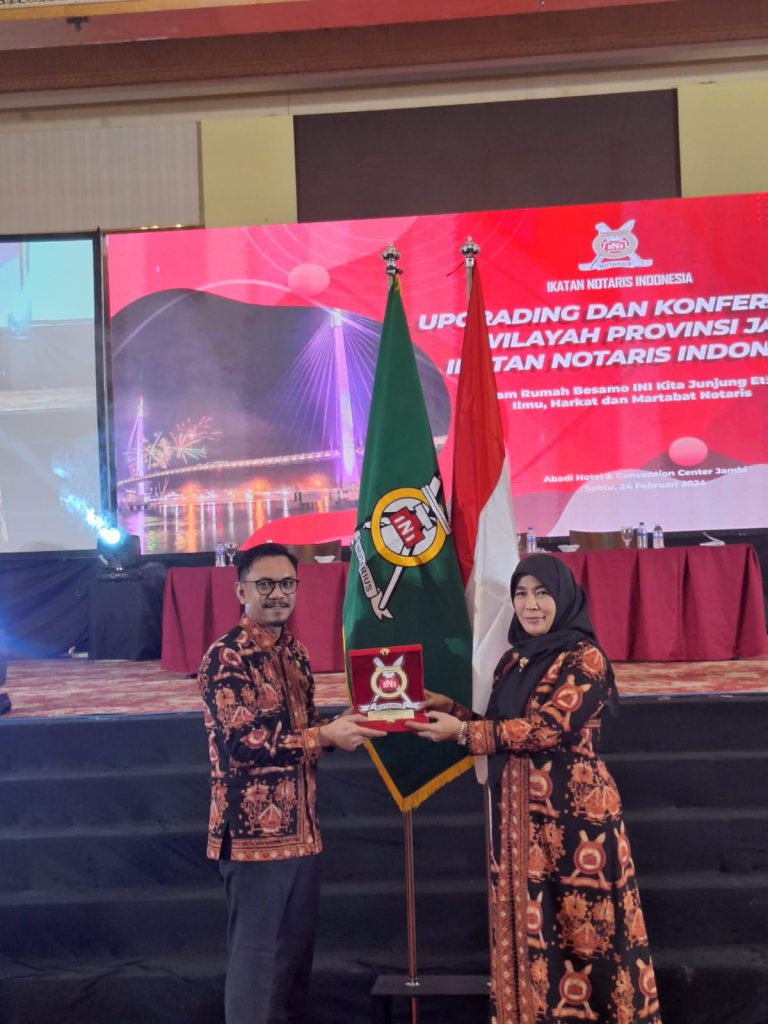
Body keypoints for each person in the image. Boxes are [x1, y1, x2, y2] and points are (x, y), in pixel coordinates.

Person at [408, 553, 662, 1024]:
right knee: (529, 936)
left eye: (542, 593)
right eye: (521, 594)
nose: (530, 604)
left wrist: (463, 734)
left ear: (563, 598)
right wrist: (455, 711)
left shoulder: (585, 658)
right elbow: (504, 727)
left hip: (576, 826)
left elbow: (548, 729)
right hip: (518, 824)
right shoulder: (514, 659)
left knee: (585, 939)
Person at [198, 541, 382, 1024]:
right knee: (257, 966)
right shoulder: (227, 657)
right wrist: (324, 736)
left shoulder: (295, 652)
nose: (277, 593)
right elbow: (243, 742)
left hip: (304, 831)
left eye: (285, 583)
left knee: (292, 965)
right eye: (264, 584)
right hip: (253, 838)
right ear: (241, 591)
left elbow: (304, 728)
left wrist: (350, 721)